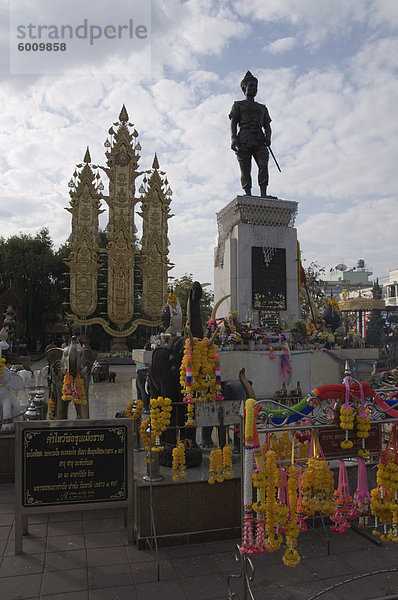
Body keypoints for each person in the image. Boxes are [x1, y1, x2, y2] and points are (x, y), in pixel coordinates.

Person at [229, 71, 272, 197]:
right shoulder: (238, 105)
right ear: (244, 88)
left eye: (255, 86)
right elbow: (233, 122)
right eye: (251, 85)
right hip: (244, 138)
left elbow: (267, 126)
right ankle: (248, 193)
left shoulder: (262, 108)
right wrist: (233, 138)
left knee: (263, 164)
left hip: (259, 138)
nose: (254, 88)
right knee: (245, 168)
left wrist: (268, 137)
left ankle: (263, 193)